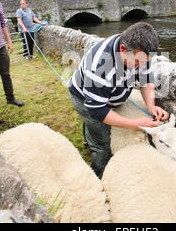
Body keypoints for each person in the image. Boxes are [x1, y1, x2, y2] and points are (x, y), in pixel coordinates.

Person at [68, 22, 169, 178]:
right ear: (122, 50)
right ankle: (99, 176)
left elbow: (146, 78)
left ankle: (89, 138)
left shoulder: (137, 50)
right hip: (84, 97)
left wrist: (151, 106)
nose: (140, 66)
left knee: (93, 127)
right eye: (137, 62)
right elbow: (97, 110)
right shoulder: (99, 66)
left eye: (144, 61)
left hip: (104, 96)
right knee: (102, 144)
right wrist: (135, 124)